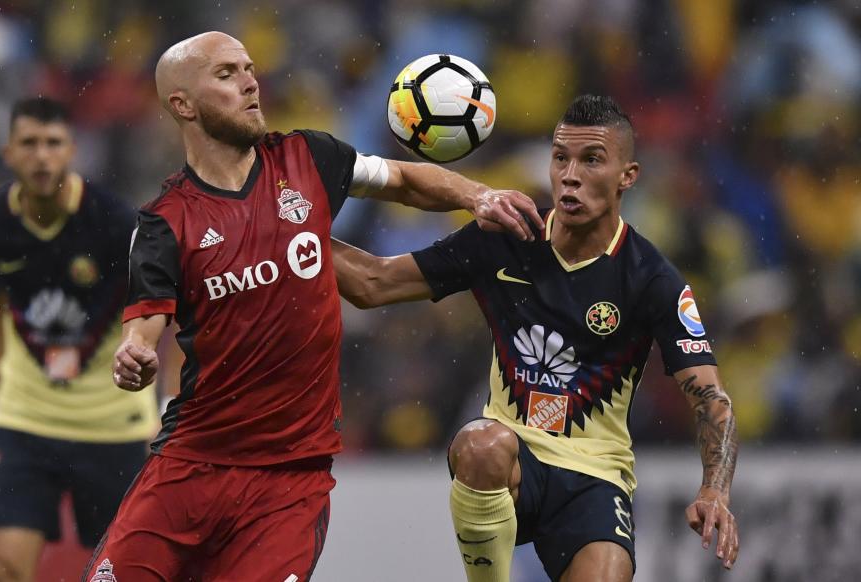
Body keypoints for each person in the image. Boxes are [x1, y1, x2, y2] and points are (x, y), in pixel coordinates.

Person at [82, 31, 542, 582]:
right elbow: (143, 328)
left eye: (249, 68)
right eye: (226, 74)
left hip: (290, 483)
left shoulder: (307, 158)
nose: (251, 81)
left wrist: (477, 196)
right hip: (191, 467)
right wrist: (133, 356)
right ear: (182, 104)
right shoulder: (165, 222)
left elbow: (402, 180)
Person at [332, 94, 740, 582]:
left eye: (592, 160)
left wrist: (715, 489)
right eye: (561, 157)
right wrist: (293, 227)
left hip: (596, 477)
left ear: (627, 176)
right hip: (513, 464)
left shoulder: (652, 278)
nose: (571, 174)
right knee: (480, 444)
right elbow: (373, 283)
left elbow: (711, 397)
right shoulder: (506, 235)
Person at [0, 97, 159, 582]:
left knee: (133, 574)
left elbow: (159, 307)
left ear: (72, 150)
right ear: (8, 152)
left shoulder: (116, 223)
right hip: (25, 421)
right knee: (4, 567)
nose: (42, 156)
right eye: (29, 143)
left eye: (53, 143)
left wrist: (169, 398)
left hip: (114, 425)